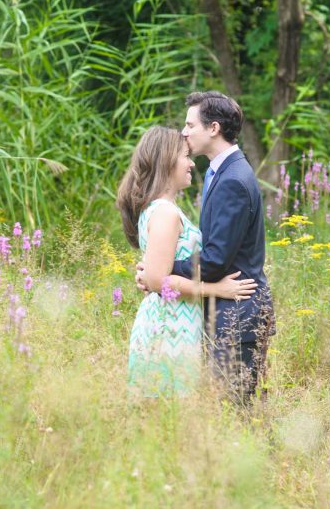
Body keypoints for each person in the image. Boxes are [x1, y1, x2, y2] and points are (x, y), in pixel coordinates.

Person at [136, 92, 276, 401]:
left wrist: (160, 270)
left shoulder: (232, 180)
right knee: (226, 413)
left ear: (213, 128)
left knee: (232, 413)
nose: (184, 133)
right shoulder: (221, 173)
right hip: (226, 314)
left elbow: (213, 262)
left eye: (190, 125)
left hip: (237, 313)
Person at [116, 126, 258, 397]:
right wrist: (217, 290)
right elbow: (159, 280)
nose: (192, 162)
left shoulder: (164, 209)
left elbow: (157, 273)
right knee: (168, 412)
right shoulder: (165, 213)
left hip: (179, 320)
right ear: (167, 161)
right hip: (169, 325)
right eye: (185, 156)